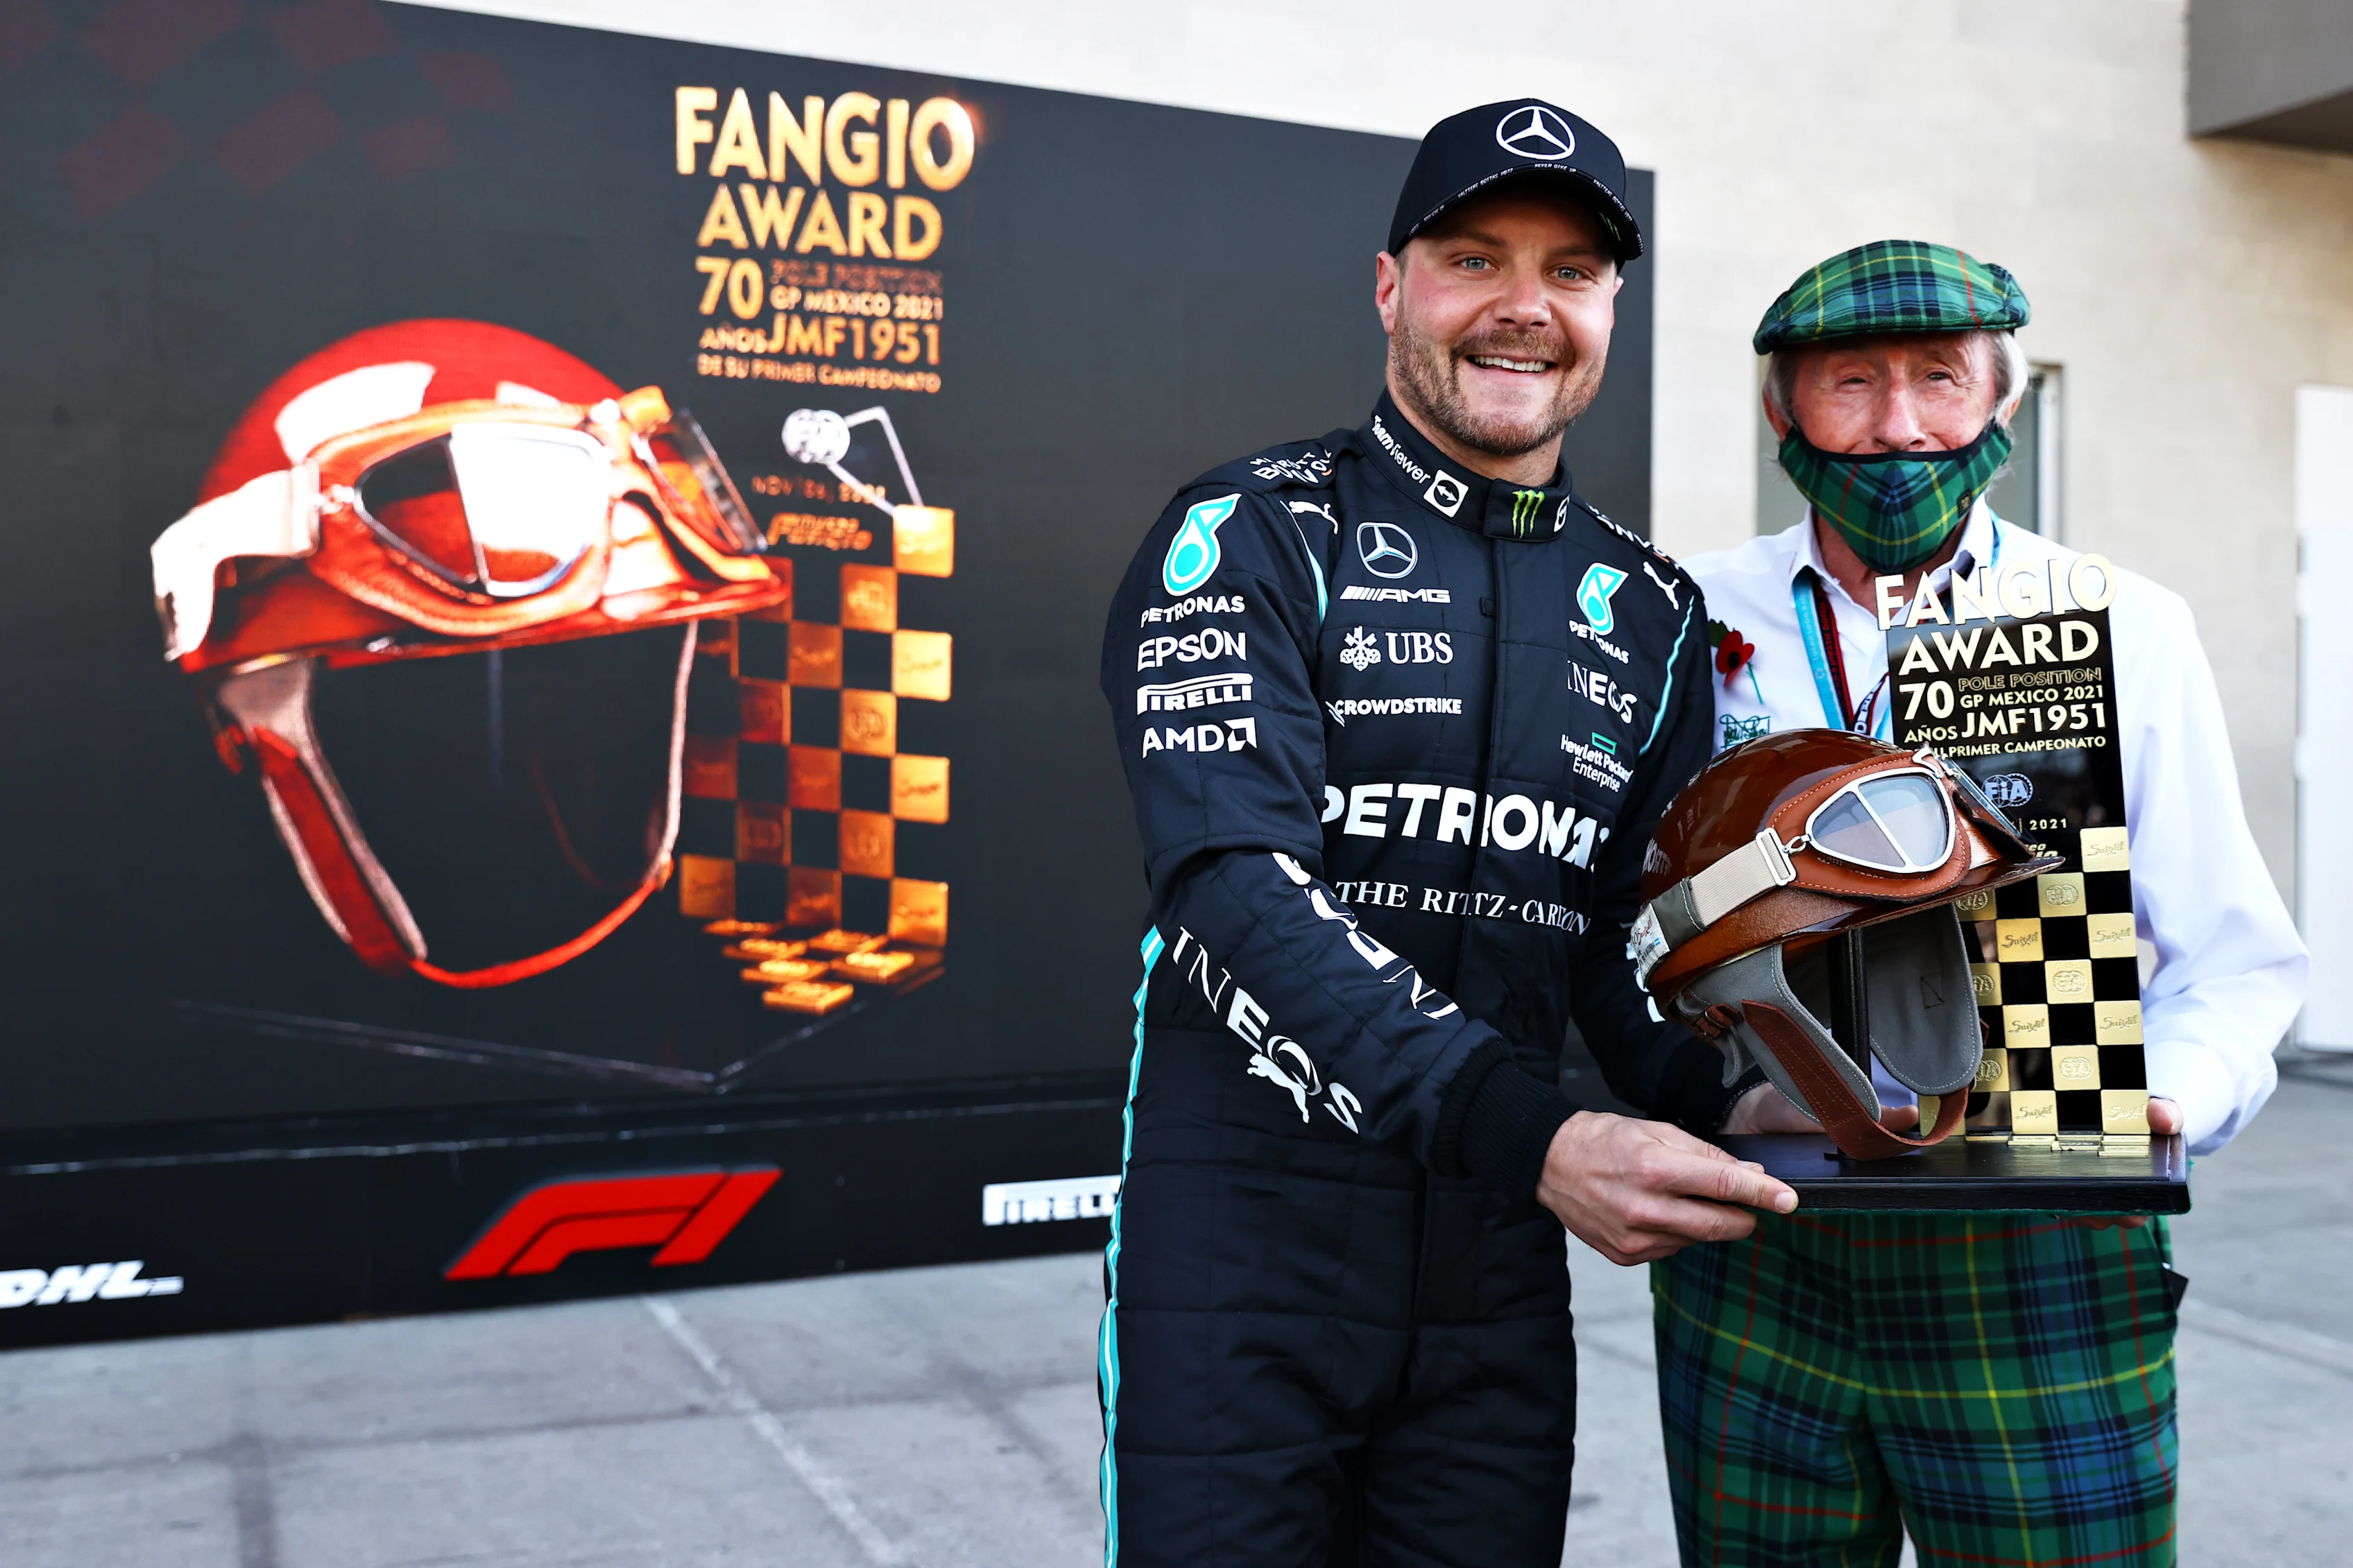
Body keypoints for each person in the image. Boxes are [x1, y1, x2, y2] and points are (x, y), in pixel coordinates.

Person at [1093, 98, 1798, 1568]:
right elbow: (1234, 885)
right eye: (1475, 258)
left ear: (1611, 305)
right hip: (1239, 1250)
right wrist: (1533, 1132)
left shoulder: (1654, 610)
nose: (1522, 309)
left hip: (1492, 1273)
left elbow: (1619, 944)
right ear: (1390, 285)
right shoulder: (1250, 529)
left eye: (1569, 270)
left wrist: (1741, 1095)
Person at [1654, 239, 2308, 1566]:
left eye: (1941, 381)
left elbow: (2238, 965)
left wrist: (2163, 1095)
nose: (1898, 429)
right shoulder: (1680, 616)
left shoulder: (2120, 622)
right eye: (1850, 383)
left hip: (2044, 1245)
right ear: (1782, 411)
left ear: (2002, 406)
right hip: (1757, 1244)